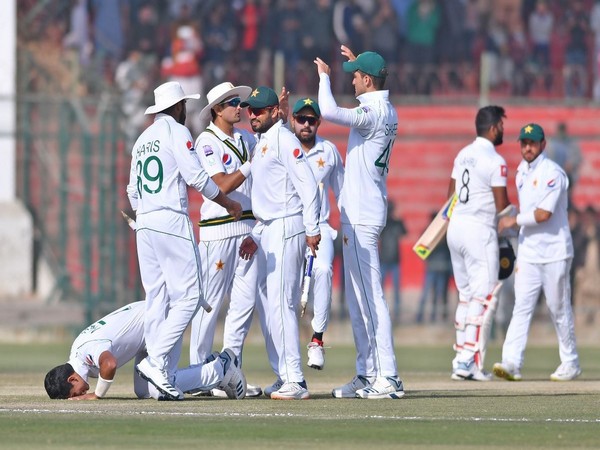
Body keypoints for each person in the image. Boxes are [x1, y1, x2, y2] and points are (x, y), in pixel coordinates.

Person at [126, 81, 242, 401]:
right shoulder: (177, 132)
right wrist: (228, 203)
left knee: (158, 299)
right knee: (190, 297)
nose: (186, 113)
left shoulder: (142, 139)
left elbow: (132, 191)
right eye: (185, 107)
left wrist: (144, 215)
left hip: (145, 223)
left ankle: (158, 374)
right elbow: (196, 176)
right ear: (177, 108)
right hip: (169, 219)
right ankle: (157, 363)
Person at [315, 47, 405, 399]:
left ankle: (389, 377)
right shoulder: (386, 107)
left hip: (364, 215)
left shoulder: (374, 111)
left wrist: (324, 76)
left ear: (368, 81)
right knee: (358, 298)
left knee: (371, 297)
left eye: (355, 75)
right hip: (361, 213)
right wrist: (359, 60)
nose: (350, 79)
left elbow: (327, 111)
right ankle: (367, 373)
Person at [238, 86, 321, 400]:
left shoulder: (285, 140)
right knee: (272, 307)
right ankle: (285, 374)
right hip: (270, 228)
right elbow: (267, 198)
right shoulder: (263, 142)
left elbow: (309, 187)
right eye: (250, 109)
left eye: (259, 110)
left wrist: (312, 229)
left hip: (288, 225)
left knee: (283, 305)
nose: (252, 115)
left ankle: (296, 380)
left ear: (275, 112)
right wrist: (256, 235)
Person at [189, 81, 266, 398]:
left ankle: (228, 374)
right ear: (217, 109)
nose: (240, 107)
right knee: (209, 306)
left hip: (247, 230)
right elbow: (219, 183)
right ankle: (196, 375)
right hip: (219, 230)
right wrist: (251, 163)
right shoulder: (206, 141)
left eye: (240, 102)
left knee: (243, 307)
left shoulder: (248, 138)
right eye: (234, 102)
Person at [493, 123, 581, 382]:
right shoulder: (521, 172)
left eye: (532, 142)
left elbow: (544, 214)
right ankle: (511, 361)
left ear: (543, 145)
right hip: (530, 251)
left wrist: (513, 221)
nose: (527, 147)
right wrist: (510, 226)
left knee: (558, 307)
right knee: (522, 306)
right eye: (524, 143)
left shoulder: (553, 173)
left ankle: (571, 361)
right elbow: (527, 213)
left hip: (554, 251)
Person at [44, 301, 246, 400]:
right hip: (145, 334)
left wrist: (97, 395)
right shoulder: (77, 355)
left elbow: (110, 364)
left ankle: (221, 368)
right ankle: (208, 366)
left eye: (73, 394)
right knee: (144, 391)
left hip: (159, 322)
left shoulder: (85, 353)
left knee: (166, 384)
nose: (79, 395)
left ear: (72, 379)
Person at [447, 105, 511, 381]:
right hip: (479, 230)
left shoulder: (463, 155)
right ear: (494, 127)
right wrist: (514, 222)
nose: (504, 130)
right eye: (502, 125)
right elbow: (502, 206)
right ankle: (466, 361)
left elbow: (450, 196)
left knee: (465, 296)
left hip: (456, 228)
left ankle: (461, 357)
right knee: (483, 296)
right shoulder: (495, 161)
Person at [290, 97, 344, 371]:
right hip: (289, 224)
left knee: (323, 270)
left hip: (320, 227)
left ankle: (317, 340)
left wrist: (349, 225)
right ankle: (284, 358)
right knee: (283, 288)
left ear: (319, 122)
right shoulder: (284, 147)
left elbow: (342, 192)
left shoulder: (329, 151)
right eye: (302, 119)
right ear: (293, 120)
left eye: (312, 120)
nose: (307, 124)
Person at [416, 212, 452, 324]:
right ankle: (425, 316)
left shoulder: (439, 232)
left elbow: (421, 249)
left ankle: (426, 316)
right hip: (437, 266)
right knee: (435, 292)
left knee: (432, 292)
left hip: (437, 266)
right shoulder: (442, 232)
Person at [379, 200, 407, 324]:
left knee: (396, 289)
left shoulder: (396, 223)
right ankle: (381, 311)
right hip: (385, 259)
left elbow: (404, 232)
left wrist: (398, 220)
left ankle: (396, 312)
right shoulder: (382, 223)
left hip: (394, 260)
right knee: (380, 288)